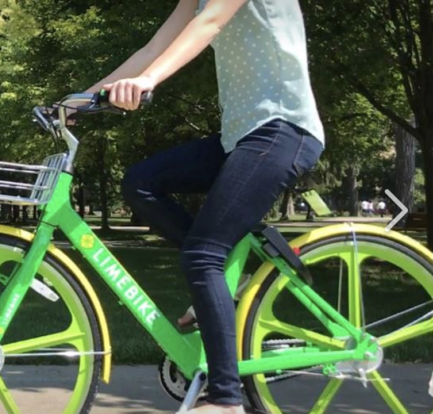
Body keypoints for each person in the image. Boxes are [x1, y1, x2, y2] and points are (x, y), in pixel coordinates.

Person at [84, 0, 325, 412]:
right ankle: (226, 283)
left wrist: (147, 81)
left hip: (283, 129)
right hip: (241, 136)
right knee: (141, 183)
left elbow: (210, 24)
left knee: (202, 254)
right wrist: (80, 100)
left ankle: (226, 399)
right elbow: (154, 47)